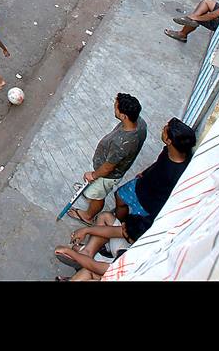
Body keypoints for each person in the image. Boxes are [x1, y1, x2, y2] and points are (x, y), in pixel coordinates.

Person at [54, 119, 197, 281]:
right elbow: (158, 164)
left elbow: (99, 268)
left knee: (91, 272)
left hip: (151, 203)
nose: (163, 129)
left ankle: (88, 257)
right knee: (111, 210)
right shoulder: (171, 152)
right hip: (143, 189)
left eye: (166, 129)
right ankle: (91, 251)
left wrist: (72, 252)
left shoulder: (135, 259)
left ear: (170, 140)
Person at [69, 93, 147, 225]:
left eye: (116, 107)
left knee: (97, 195)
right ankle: (90, 191)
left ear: (124, 116)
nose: (114, 108)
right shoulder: (140, 123)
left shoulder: (121, 143)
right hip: (112, 169)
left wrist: (93, 175)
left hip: (108, 175)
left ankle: (88, 216)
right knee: (95, 188)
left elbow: (108, 167)